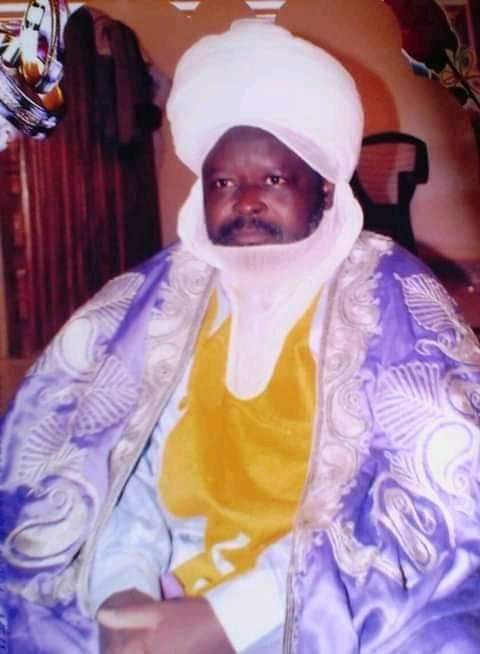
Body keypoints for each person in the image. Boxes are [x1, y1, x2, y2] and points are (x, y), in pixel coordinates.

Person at [2, 19, 480, 654]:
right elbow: (119, 472)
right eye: (223, 183)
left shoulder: (387, 297)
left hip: (321, 597)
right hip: (172, 576)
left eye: (274, 180)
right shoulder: (163, 299)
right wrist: (123, 591)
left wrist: (228, 618)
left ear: (326, 187)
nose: (246, 200)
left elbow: (422, 510)